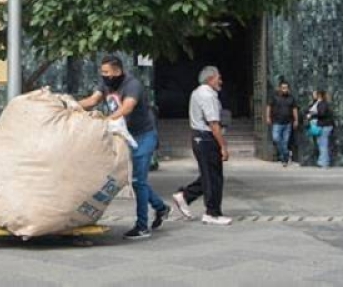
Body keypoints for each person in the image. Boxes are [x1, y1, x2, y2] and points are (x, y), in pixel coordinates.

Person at [79, 55, 169, 239]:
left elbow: (127, 108)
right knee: (135, 180)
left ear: (117, 71)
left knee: (138, 181)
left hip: (143, 137)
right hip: (124, 137)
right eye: (102, 72)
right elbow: (92, 100)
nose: (103, 76)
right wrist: (68, 106)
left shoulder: (132, 85)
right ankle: (161, 207)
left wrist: (104, 121)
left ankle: (142, 226)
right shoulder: (106, 85)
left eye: (106, 73)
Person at [172, 66, 232, 225]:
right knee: (213, 177)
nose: (221, 81)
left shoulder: (198, 92)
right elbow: (213, 123)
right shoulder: (207, 95)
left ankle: (185, 196)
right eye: (218, 78)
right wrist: (223, 146)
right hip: (206, 138)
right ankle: (212, 213)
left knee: (209, 174)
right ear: (210, 79)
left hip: (200, 137)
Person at [266, 80, 298, 166]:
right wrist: (268, 117)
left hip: (288, 123)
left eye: (286, 88)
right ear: (280, 88)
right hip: (277, 122)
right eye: (283, 88)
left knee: (285, 142)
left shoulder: (291, 98)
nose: (285, 89)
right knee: (276, 138)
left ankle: (284, 159)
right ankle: (286, 154)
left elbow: (294, 109)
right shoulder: (274, 97)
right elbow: (269, 107)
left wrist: (296, 120)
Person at [306, 90, 335, 168]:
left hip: (325, 125)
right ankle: (323, 161)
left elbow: (322, 113)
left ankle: (324, 163)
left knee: (323, 144)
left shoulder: (322, 103)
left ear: (319, 95)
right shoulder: (322, 103)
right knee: (321, 143)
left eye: (315, 94)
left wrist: (312, 115)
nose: (313, 95)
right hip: (325, 125)